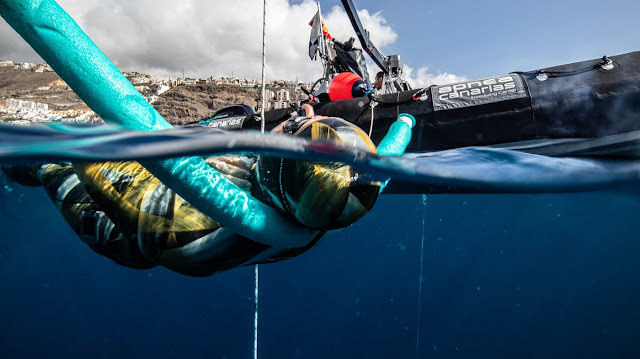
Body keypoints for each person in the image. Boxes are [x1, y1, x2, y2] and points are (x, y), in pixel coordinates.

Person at [2, 106, 412, 277]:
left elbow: (94, 160)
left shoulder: (175, 222)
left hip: (127, 225)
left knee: (52, 160)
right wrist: (405, 123)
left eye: (287, 134)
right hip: (226, 202)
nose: (286, 125)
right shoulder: (346, 201)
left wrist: (74, 134)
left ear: (274, 163)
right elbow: (383, 159)